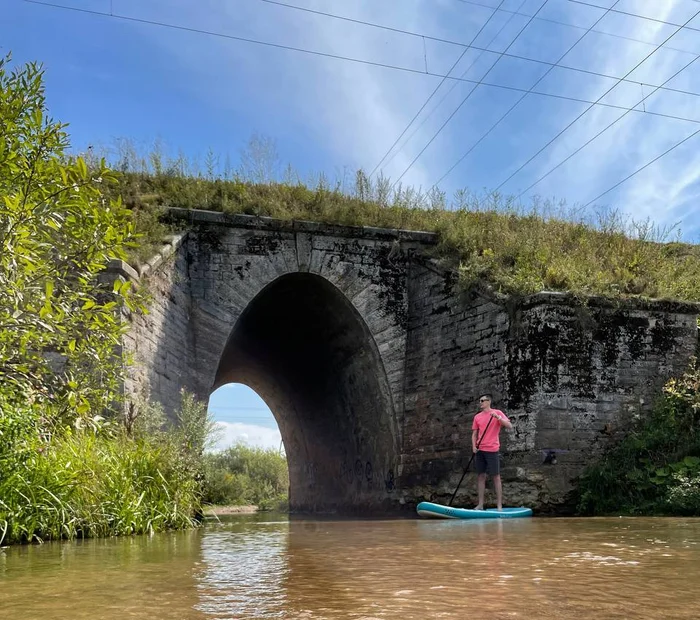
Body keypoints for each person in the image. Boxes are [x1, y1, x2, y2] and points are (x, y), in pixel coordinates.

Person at [471, 393, 512, 511]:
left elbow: (509, 426)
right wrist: (474, 447)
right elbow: (474, 434)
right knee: (480, 476)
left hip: (492, 449)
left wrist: (498, 418)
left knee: (496, 477)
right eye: (479, 401)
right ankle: (480, 505)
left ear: (489, 401)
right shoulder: (477, 417)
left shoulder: (497, 413)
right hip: (480, 450)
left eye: (482, 400)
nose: (480, 403)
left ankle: (499, 506)